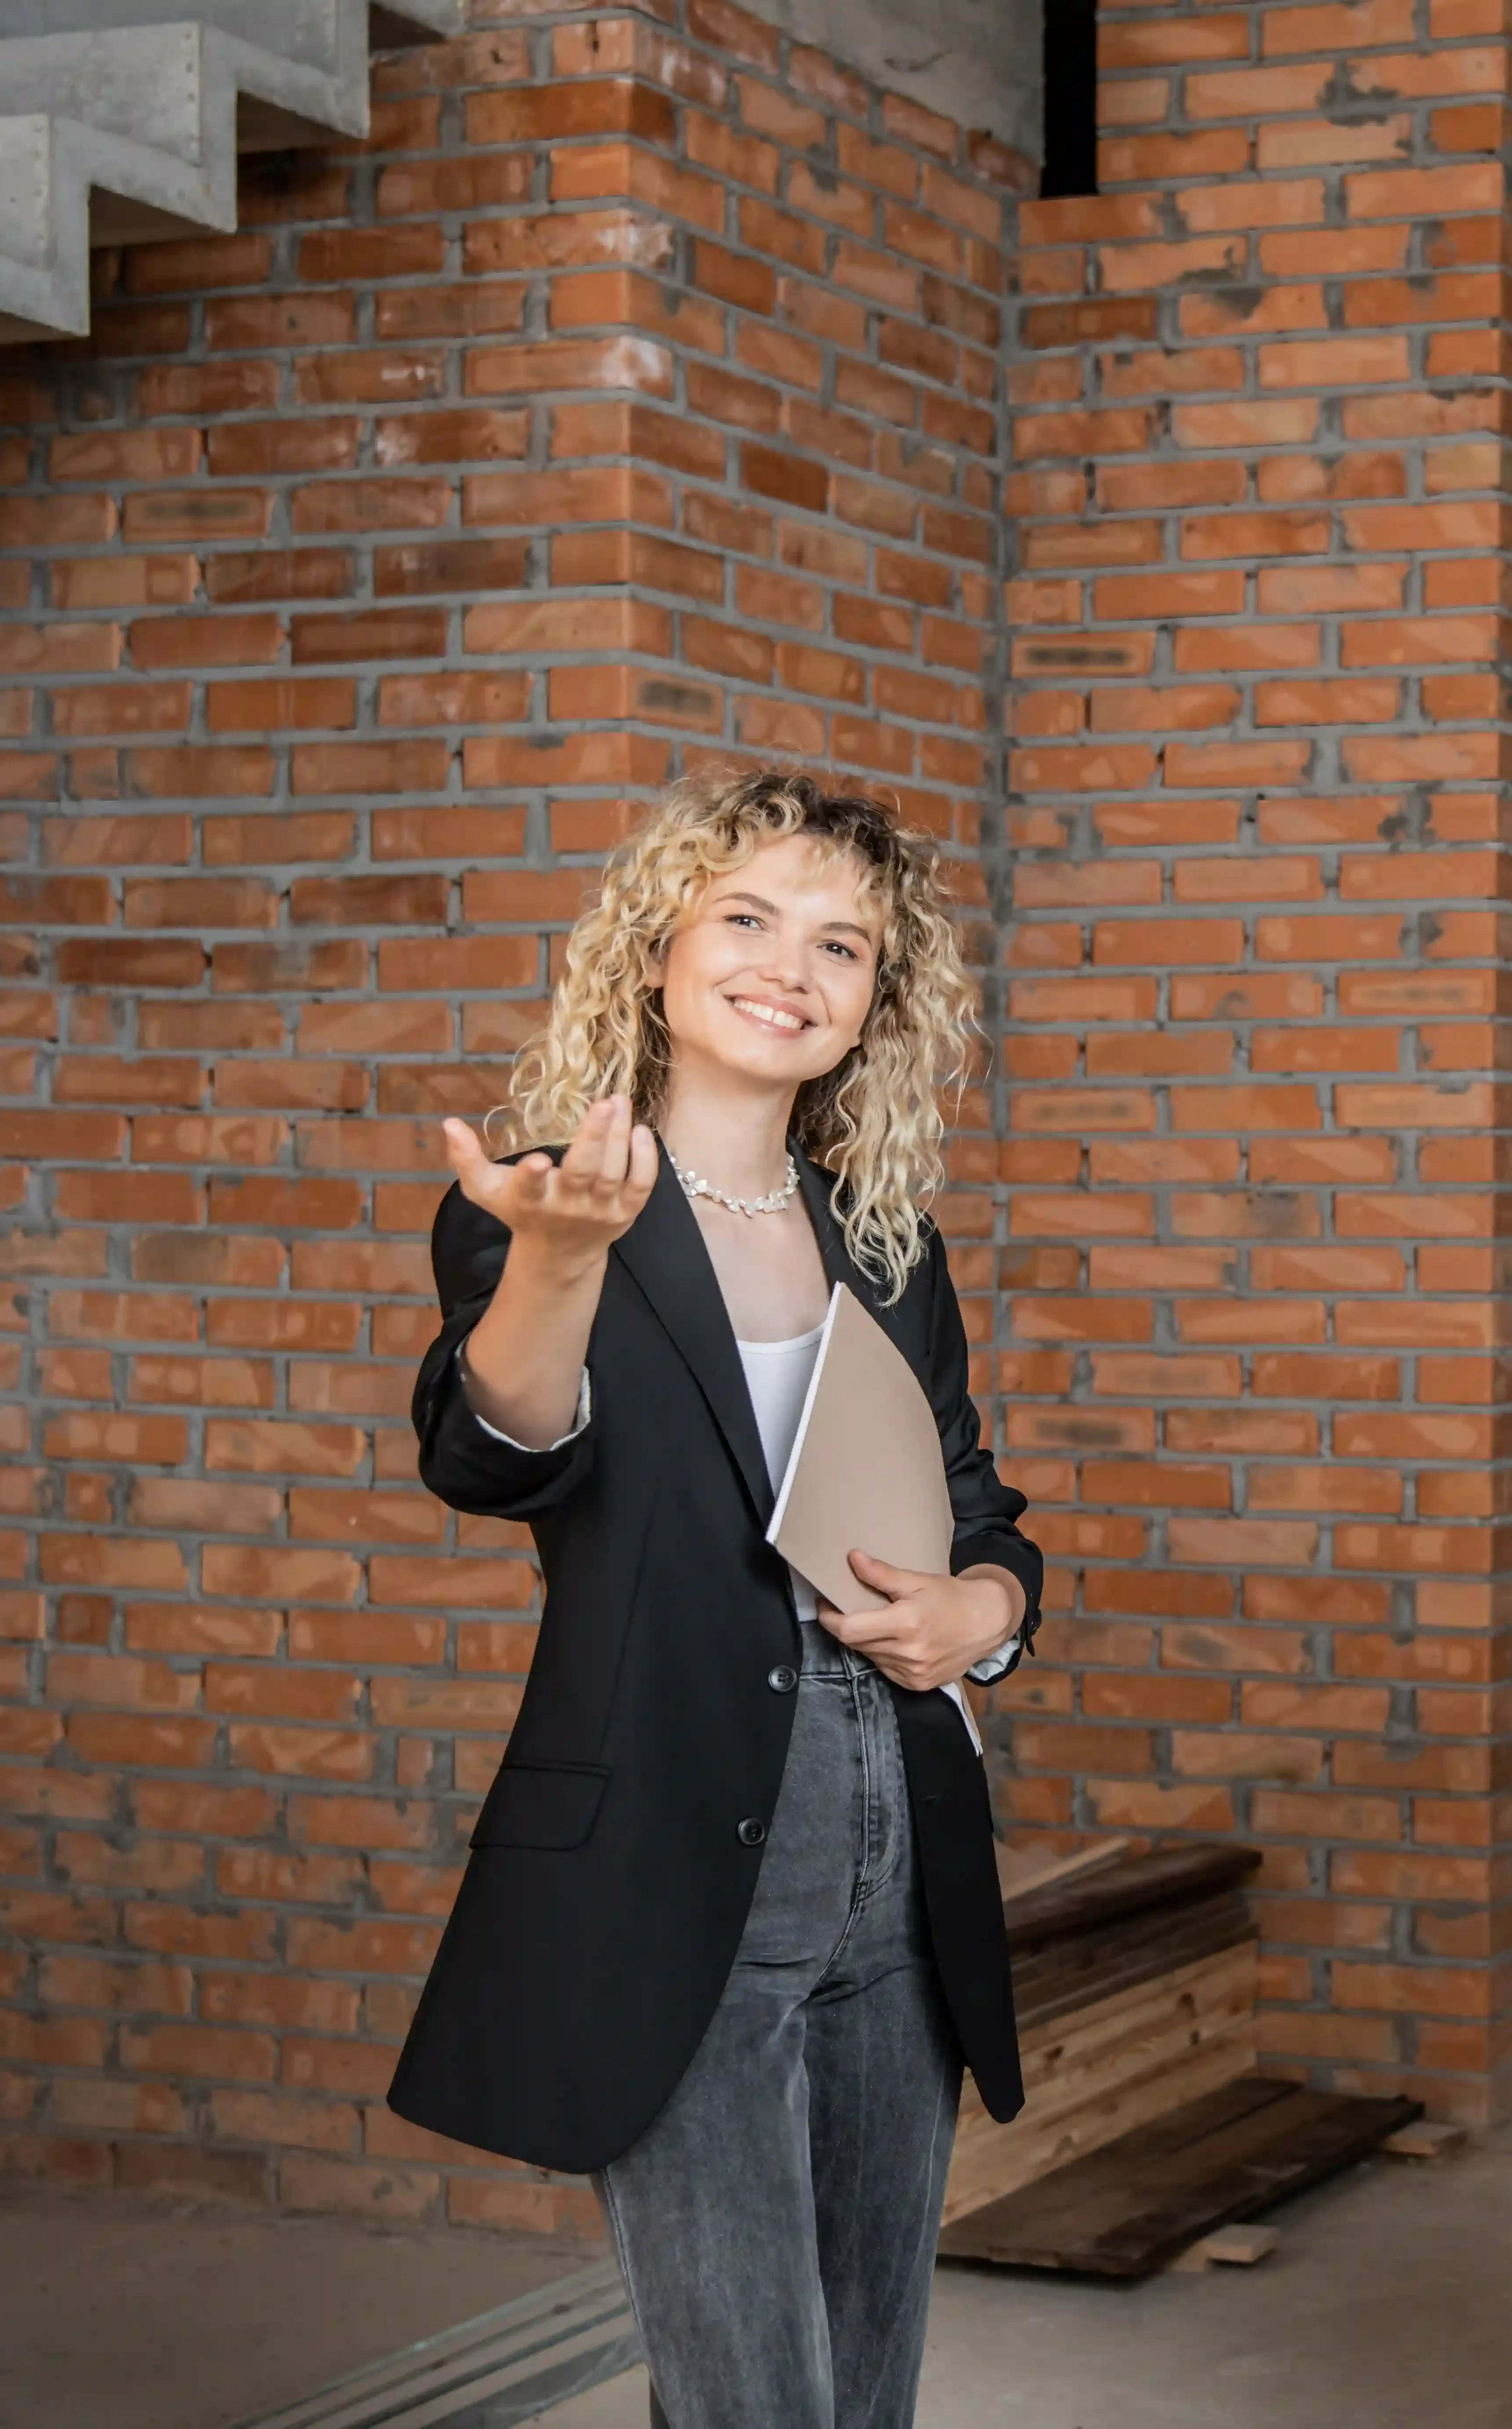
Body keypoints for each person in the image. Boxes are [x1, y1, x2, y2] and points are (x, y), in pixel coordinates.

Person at [385, 767, 1043, 2429]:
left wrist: (988, 1612)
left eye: (842, 946)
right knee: (755, 2401)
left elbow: (981, 1512)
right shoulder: (551, 1200)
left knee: (864, 2388)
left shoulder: (888, 1240)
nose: (789, 968)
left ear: (874, 1004)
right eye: (747, 917)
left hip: (900, 1827)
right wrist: (553, 1261)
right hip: (680, 1846)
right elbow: (496, 1454)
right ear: (659, 947)